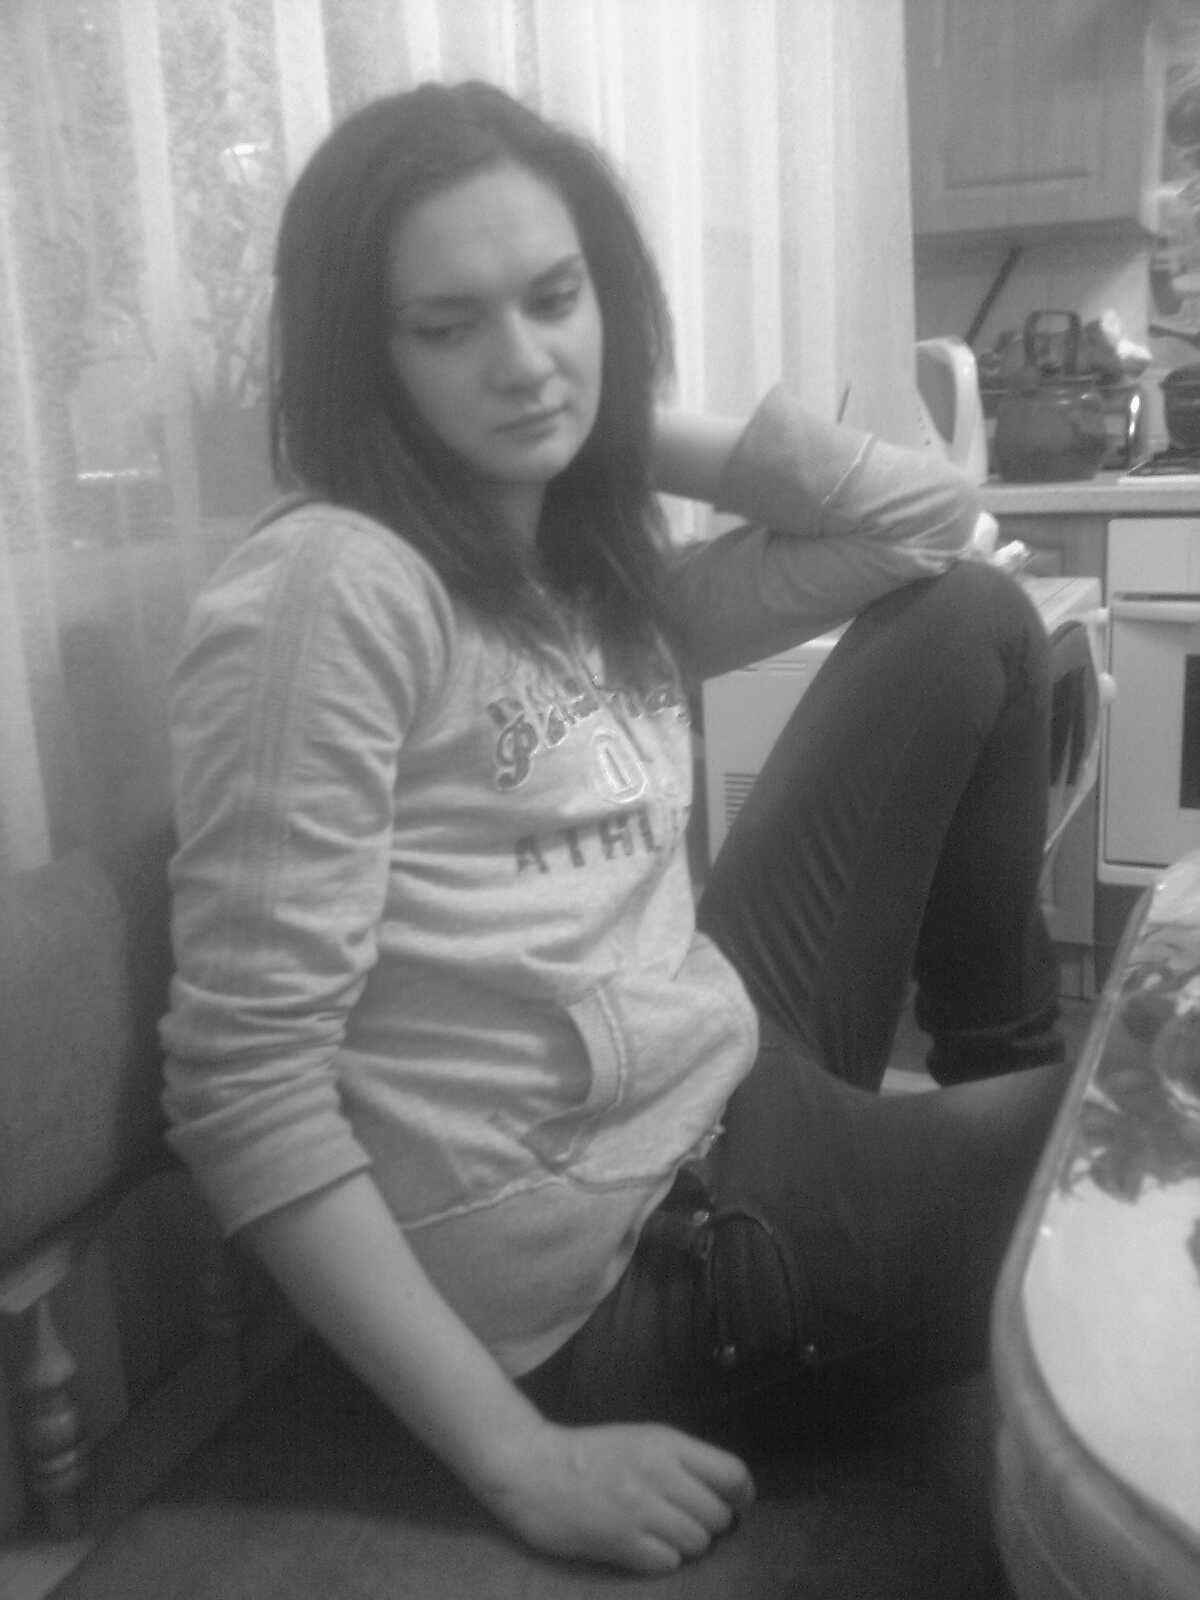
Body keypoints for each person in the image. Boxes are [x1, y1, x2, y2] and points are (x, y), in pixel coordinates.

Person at [160, 79, 1069, 1577]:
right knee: (1150, 1144)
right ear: (362, 360)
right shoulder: (327, 590)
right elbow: (241, 1085)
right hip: (634, 1254)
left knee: (973, 619)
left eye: (555, 298)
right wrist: (521, 1461)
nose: (523, 361)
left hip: (710, 1057)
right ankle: (1023, 1189)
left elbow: (922, 526)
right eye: (445, 327)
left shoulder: (575, 566)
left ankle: (1007, 1093)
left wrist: (601, 420)